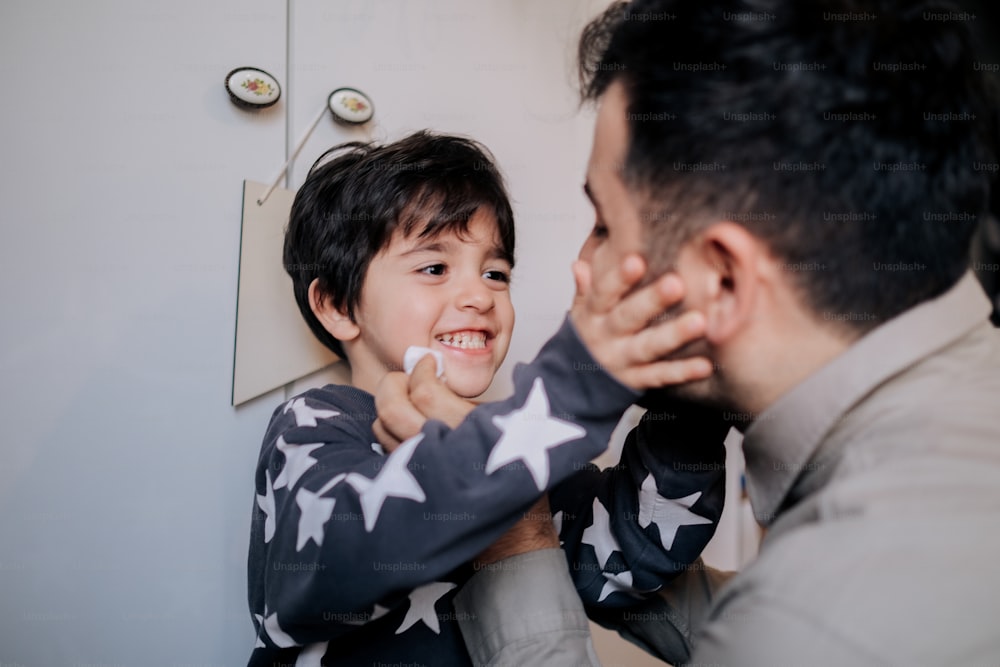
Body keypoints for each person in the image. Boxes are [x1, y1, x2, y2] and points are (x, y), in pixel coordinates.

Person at [373, 1, 1000, 665]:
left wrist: (510, 528)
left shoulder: (807, 623)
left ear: (723, 281)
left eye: (605, 226)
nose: (582, 267)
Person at [246, 130, 731, 666]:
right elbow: (326, 566)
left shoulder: (524, 455)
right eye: (434, 268)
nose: (481, 295)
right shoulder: (318, 423)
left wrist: (690, 401)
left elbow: (631, 559)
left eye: (496, 273)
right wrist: (573, 388)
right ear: (338, 305)